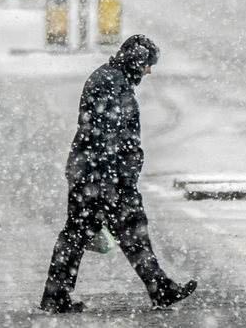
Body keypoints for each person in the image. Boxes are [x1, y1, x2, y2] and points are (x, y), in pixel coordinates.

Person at [40, 35, 197, 313]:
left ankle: (159, 289)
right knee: (90, 232)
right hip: (100, 177)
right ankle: (57, 296)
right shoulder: (109, 83)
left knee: (108, 232)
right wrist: (110, 183)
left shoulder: (114, 80)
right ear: (137, 61)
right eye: (148, 64)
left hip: (99, 175)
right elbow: (104, 138)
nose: (149, 70)